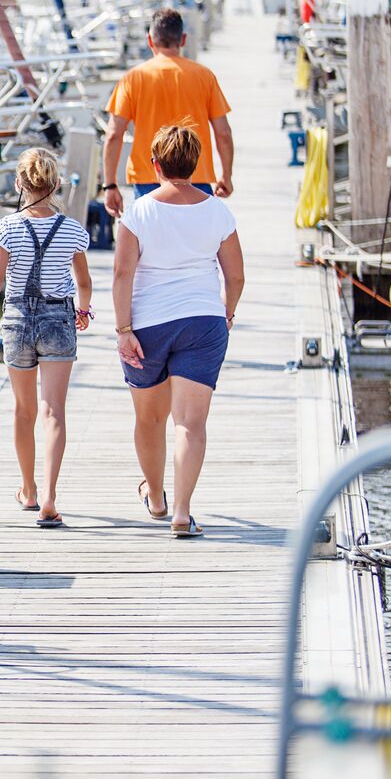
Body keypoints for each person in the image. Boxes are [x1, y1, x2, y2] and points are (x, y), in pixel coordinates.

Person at [113, 124, 245, 539]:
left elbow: (121, 274)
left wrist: (123, 330)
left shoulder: (139, 212)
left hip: (148, 324)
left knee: (149, 419)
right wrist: (226, 313)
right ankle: (183, 513)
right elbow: (236, 276)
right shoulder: (218, 212)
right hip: (203, 321)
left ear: (154, 164)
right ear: (197, 164)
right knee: (190, 423)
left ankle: (155, 497)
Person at [0, 149, 92, 528]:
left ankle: (29, 489)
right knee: (54, 411)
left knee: (24, 411)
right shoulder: (72, 229)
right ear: (54, 185)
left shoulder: (6, 228)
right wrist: (84, 310)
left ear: (19, 184)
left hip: (17, 321)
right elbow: (83, 281)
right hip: (58, 318)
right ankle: (50, 497)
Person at [100, 8, 235, 219]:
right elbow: (223, 133)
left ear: (150, 40)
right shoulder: (204, 76)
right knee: (195, 247)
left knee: (150, 246)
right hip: (195, 177)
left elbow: (114, 134)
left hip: (148, 179)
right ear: (182, 39)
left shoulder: (133, 78)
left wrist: (109, 185)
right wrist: (226, 175)